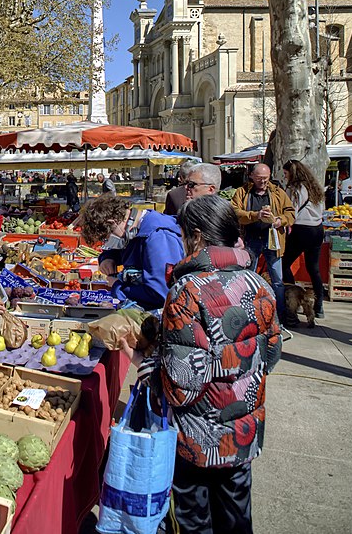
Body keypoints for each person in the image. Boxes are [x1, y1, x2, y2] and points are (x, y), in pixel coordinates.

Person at [121, 195, 281, 534]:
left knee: (194, 522)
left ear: (196, 236)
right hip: (243, 434)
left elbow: (181, 386)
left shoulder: (187, 291)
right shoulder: (259, 284)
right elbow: (270, 356)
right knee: (237, 519)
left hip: (197, 441)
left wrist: (145, 363)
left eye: (182, 236)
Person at [81, 196, 184, 310]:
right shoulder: (134, 232)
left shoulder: (158, 237)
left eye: (106, 238)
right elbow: (124, 250)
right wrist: (108, 258)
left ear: (113, 223)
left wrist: (118, 287)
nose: (107, 242)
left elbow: (161, 294)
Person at [231, 163, 295, 322]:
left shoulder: (278, 193)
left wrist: (281, 220)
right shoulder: (242, 193)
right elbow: (235, 212)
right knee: (248, 278)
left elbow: (290, 212)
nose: (263, 182)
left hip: (272, 240)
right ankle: (248, 312)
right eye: (259, 179)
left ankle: (280, 316)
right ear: (252, 176)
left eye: (266, 179)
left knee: (277, 280)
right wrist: (255, 215)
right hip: (251, 240)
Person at [281, 160, 326, 322]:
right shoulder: (315, 187)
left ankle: (294, 296)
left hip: (302, 230)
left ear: (292, 173)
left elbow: (292, 210)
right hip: (317, 229)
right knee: (313, 268)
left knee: (284, 263)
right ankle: (319, 305)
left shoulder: (296, 189)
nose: (285, 177)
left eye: (286, 174)